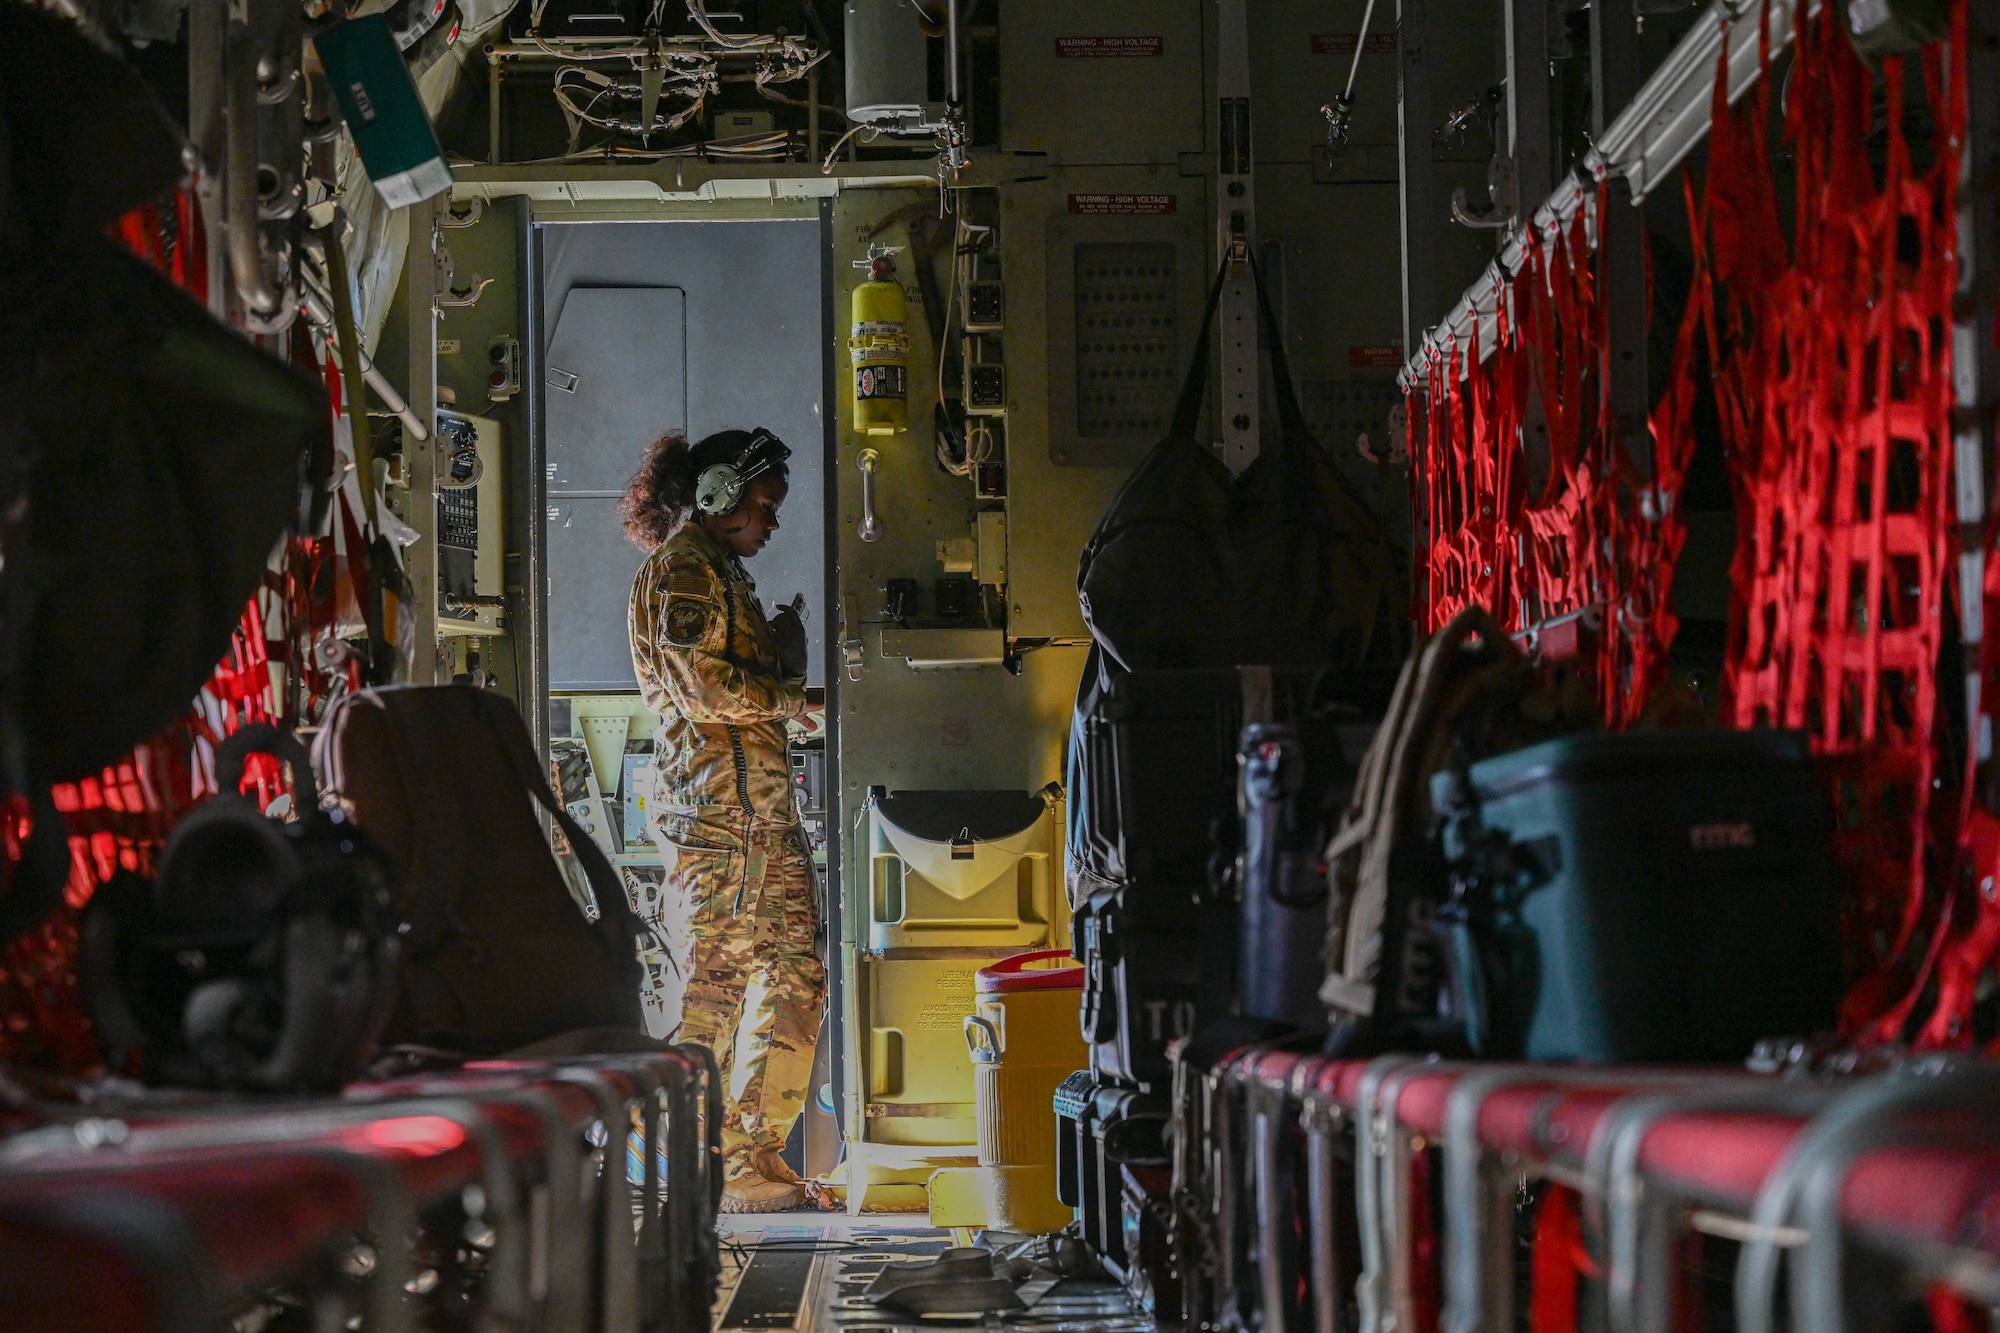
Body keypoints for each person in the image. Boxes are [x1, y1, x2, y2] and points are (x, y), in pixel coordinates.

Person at [623, 426, 822, 1213]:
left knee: (794, 974)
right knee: (715, 987)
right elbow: (704, 689)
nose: (771, 524)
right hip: (717, 821)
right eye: (764, 506)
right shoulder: (681, 571)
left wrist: (782, 661)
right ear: (717, 495)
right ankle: (675, 1155)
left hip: (763, 818)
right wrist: (789, 699)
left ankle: (749, 1157)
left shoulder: (723, 573)